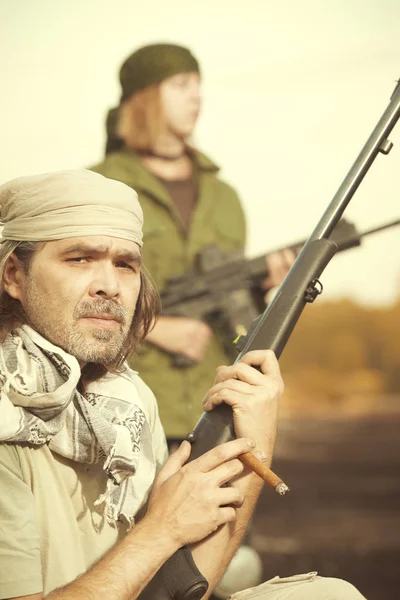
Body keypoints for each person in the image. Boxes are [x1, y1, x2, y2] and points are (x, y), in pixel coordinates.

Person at [0, 169, 366, 600]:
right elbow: (159, 540)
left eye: (125, 265)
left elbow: (182, 586)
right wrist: (160, 530)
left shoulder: (127, 401)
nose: (110, 286)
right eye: (79, 259)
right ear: (13, 276)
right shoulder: (8, 418)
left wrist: (254, 446)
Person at [90, 43, 294, 446]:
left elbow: (234, 308)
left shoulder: (224, 196)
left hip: (216, 410)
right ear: (145, 97)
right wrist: (152, 328)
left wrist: (266, 290)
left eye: (198, 85)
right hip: (125, 412)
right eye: (181, 84)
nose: (196, 96)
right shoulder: (99, 187)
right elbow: (66, 290)